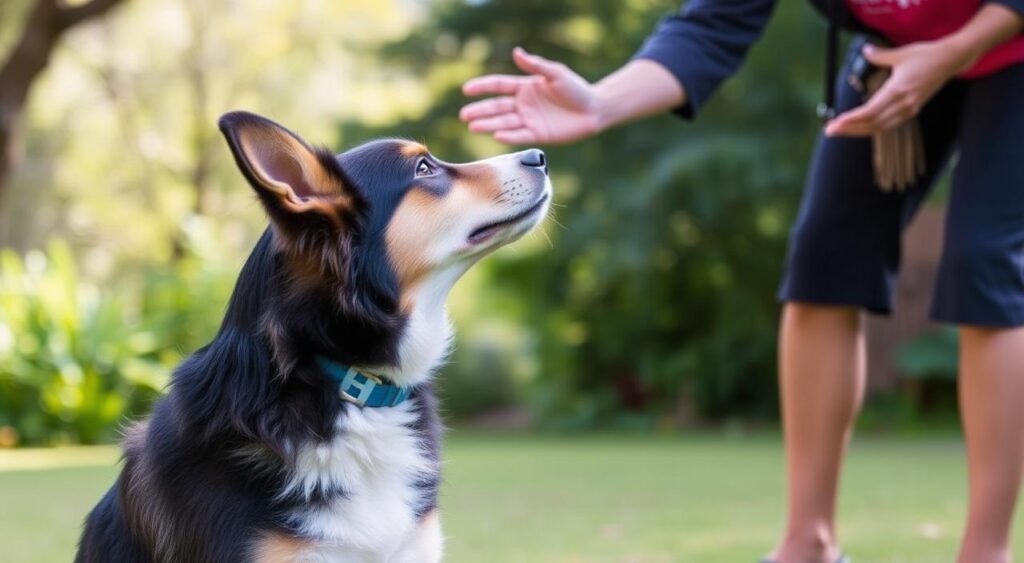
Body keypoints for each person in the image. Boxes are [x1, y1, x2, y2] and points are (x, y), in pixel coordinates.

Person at [459, 1, 1024, 562]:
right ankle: (808, 545)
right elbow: (713, 24)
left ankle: (986, 553)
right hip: (894, 56)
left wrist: (952, 53)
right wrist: (600, 103)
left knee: (983, 258)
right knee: (824, 262)